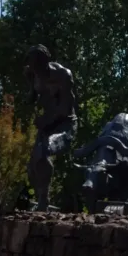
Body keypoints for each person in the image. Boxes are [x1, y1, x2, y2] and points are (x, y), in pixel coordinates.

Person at [23, 44, 78, 211]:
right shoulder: (33, 74)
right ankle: (42, 199)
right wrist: (29, 86)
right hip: (47, 126)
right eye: (32, 66)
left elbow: (66, 108)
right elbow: (31, 97)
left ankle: (43, 202)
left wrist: (46, 120)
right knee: (32, 166)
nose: (35, 70)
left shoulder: (63, 75)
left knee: (44, 151)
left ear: (45, 62)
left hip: (65, 125)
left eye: (37, 66)